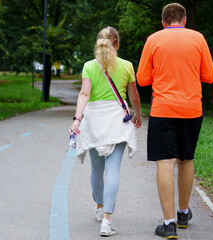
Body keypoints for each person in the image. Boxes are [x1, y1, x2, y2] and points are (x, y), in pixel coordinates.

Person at [137, 3, 213, 239]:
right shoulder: (198, 38)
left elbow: (142, 79)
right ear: (184, 21)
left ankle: (168, 224)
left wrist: (160, 72)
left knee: (165, 162)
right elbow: (209, 76)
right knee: (186, 159)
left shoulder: (153, 39)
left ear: (163, 22)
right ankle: (183, 214)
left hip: (163, 110)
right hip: (192, 109)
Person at [68, 26, 142, 237]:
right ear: (117, 44)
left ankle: (100, 208)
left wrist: (77, 119)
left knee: (96, 169)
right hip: (117, 120)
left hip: (93, 121)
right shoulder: (126, 66)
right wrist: (137, 115)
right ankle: (107, 221)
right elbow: (134, 96)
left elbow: (84, 94)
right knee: (113, 170)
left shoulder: (89, 66)